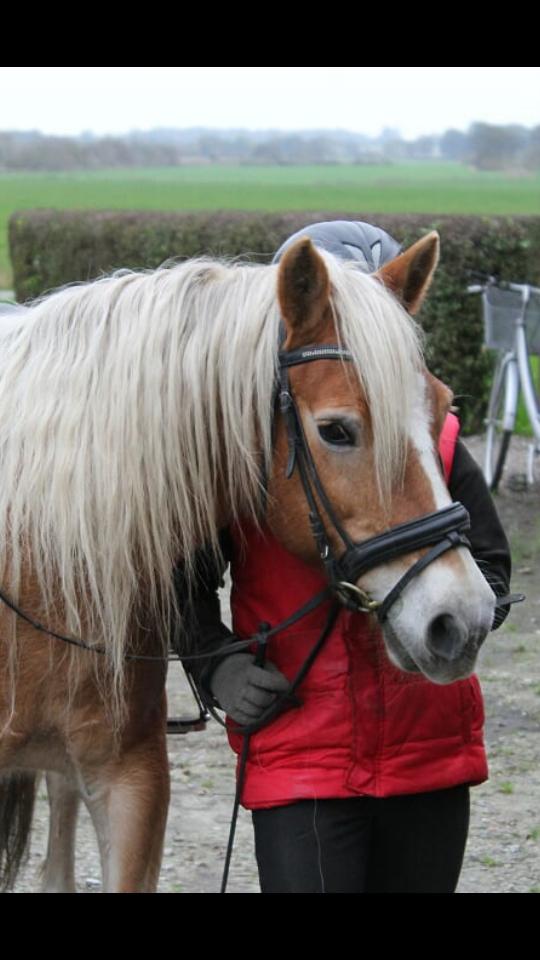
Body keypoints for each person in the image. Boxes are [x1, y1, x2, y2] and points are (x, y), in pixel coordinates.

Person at [178, 221, 512, 894]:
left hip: (429, 753)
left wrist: (468, 606)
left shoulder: (434, 440)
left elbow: (491, 562)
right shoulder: (250, 459)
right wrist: (217, 666)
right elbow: (184, 577)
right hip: (303, 754)